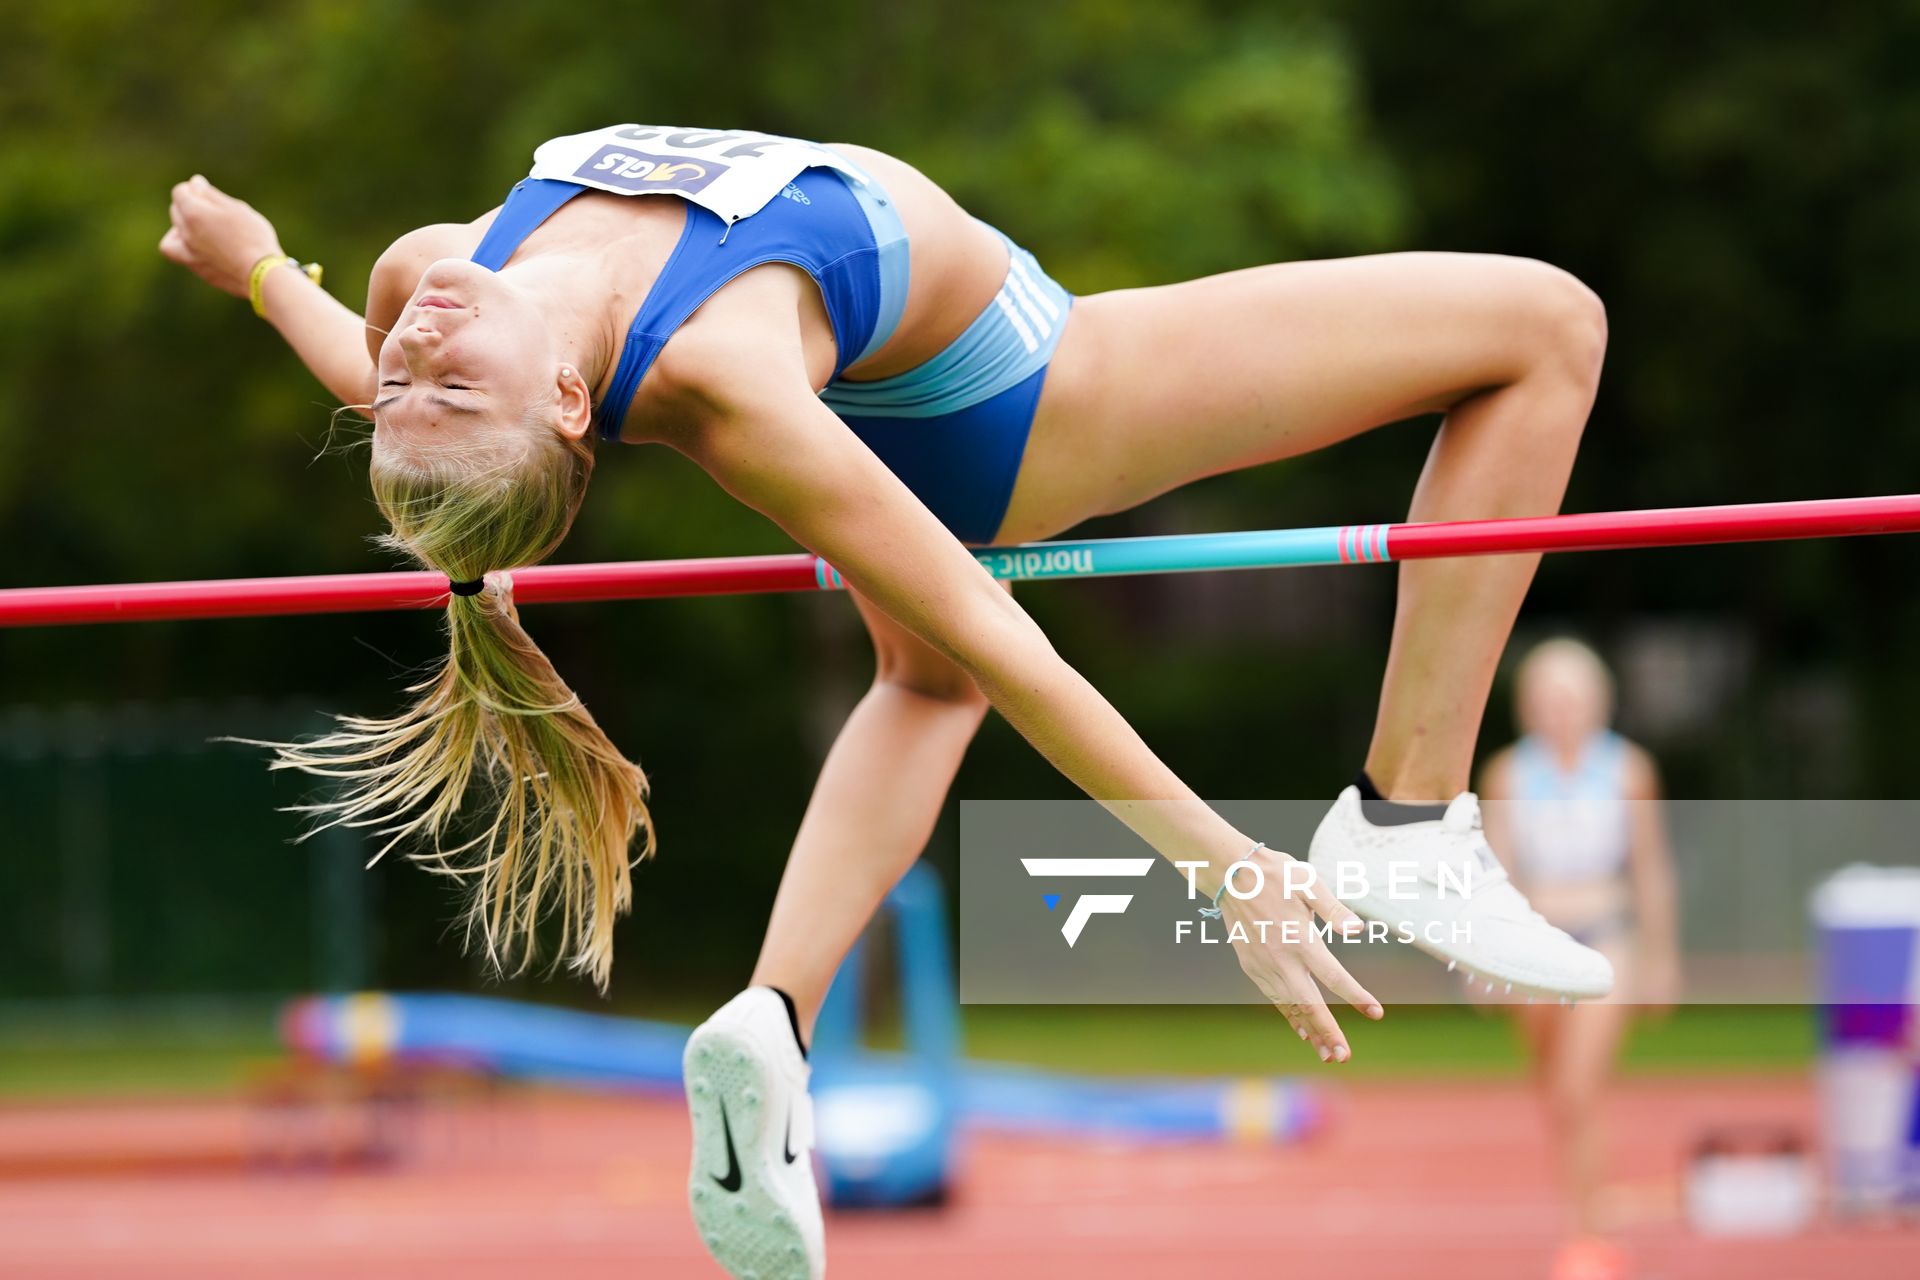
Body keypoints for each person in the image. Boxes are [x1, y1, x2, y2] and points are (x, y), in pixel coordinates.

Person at [162, 123, 1613, 1280]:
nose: (414, 353)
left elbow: (371, 372)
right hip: (1026, 397)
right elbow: (1014, 640)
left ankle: (772, 1024)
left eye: (411, 385)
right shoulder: (728, 378)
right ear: (560, 403)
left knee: (923, 689)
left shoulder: (433, 275)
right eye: (445, 383)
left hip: (887, 383)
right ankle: (1412, 816)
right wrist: (1214, 856)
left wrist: (261, 267)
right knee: (1546, 326)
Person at [1480, 638, 1680, 1280]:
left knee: (1577, 1086)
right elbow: (1497, 875)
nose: (1558, 710)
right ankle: (1589, 1203)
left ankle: (1589, 1239)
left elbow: (1650, 868)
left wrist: (1661, 958)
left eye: (1570, 697)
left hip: (1605, 939)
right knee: (1557, 1095)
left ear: (1598, 702)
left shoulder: (1629, 770)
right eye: (1545, 698)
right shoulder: (1507, 774)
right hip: (1537, 945)